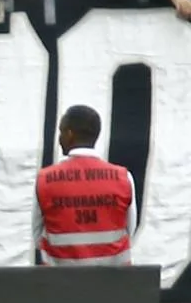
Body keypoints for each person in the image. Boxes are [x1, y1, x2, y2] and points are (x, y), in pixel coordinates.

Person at [32, 105, 137, 266]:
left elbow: (37, 236)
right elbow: (130, 229)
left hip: (60, 284)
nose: (59, 139)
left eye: (61, 132)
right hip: (115, 285)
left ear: (69, 134)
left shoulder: (44, 180)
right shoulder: (124, 178)